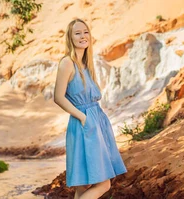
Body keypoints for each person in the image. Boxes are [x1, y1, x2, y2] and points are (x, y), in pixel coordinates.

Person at [53, 18, 127, 199]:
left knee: (82, 187)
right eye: (77, 33)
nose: (83, 36)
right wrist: (83, 118)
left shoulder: (87, 65)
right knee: (103, 184)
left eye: (85, 32)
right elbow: (58, 97)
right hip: (83, 124)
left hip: (96, 122)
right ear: (70, 38)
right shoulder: (67, 63)